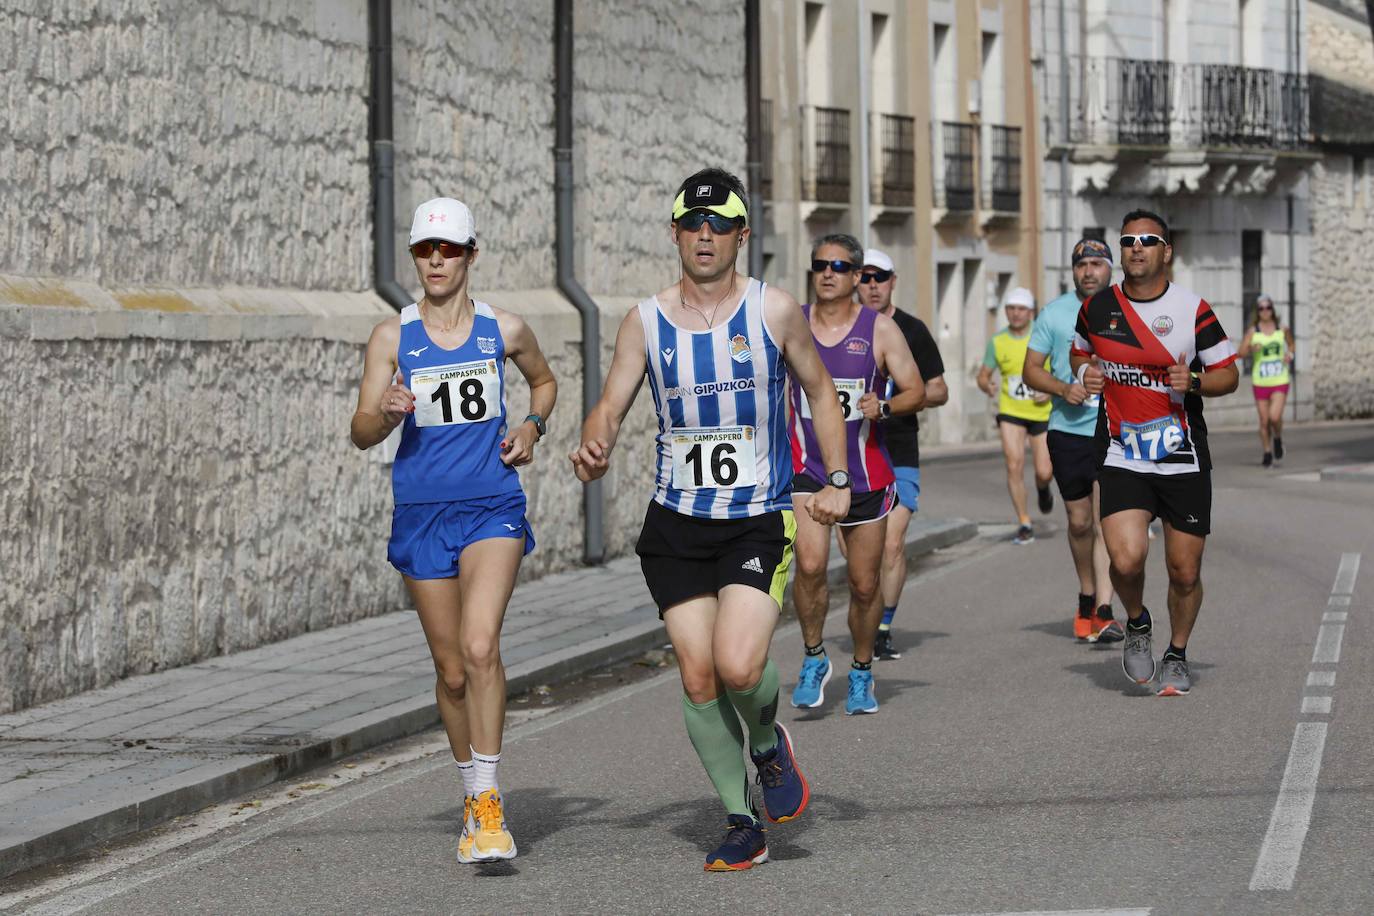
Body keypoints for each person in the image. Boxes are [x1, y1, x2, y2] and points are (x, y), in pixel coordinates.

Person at [570, 169, 850, 872]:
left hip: (756, 518)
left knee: (737, 663)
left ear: (740, 236)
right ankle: (740, 819)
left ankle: (766, 746)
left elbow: (820, 393)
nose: (705, 235)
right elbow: (611, 403)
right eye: (693, 224)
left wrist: (838, 479)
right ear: (674, 233)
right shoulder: (646, 320)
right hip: (676, 524)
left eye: (719, 225)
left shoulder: (774, 310)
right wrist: (595, 439)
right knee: (698, 678)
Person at [350, 197, 557, 862]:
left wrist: (532, 425)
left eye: (449, 250)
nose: (436, 261)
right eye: (424, 250)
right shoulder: (393, 336)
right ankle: (470, 792)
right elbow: (359, 432)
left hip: (491, 505)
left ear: (471, 254)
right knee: (450, 669)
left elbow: (545, 383)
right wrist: (383, 413)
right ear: (415, 257)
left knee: (479, 644)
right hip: (421, 513)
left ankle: (491, 802)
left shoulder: (504, 328)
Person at [1072, 209, 1238, 696]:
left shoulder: (1193, 309)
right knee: (1125, 562)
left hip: (1182, 457)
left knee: (1184, 572)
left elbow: (1229, 373)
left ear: (1167, 251)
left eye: (1148, 240)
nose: (1136, 248)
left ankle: (1178, 653)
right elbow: (1080, 351)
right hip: (1123, 452)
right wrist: (1085, 374)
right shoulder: (1098, 308)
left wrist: (1199, 382)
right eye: (1128, 241)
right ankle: (1138, 622)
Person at [788, 235, 925, 715]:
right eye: (820, 264)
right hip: (806, 469)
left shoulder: (881, 331)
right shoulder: (792, 322)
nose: (829, 273)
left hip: (867, 474)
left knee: (865, 584)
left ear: (857, 275)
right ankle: (813, 657)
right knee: (808, 566)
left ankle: (863, 669)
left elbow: (916, 390)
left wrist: (884, 405)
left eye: (841, 266)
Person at [1023, 239, 1124, 644]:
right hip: (1068, 431)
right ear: (1073, 271)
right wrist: (1064, 389)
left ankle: (1104, 609)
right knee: (1080, 523)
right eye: (1082, 265)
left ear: (1109, 269)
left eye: (1097, 264)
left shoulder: (1127, 309)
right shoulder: (1056, 314)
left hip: (1116, 431)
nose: (1089, 271)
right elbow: (1032, 370)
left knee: (1106, 522)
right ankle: (1086, 594)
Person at [855, 249, 948, 660]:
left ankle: (884, 626)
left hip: (899, 450)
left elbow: (939, 389)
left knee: (892, 544)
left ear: (893, 282)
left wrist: (900, 398)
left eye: (881, 277)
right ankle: (868, 611)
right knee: (861, 555)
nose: (872, 285)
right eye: (866, 277)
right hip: (852, 451)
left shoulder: (912, 329)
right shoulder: (839, 329)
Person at [978, 287, 1054, 544]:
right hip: (1011, 411)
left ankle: (1043, 489)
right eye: (1011, 309)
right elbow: (983, 374)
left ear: (1031, 312)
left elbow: (1061, 371)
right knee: (1014, 464)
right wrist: (985, 384)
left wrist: (1051, 391)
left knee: (1044, 471)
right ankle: (1024, 521)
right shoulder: (998, 341)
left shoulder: (1042, 337)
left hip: (1042, 413)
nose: (1015, 314)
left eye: (1021, 309)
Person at [1237, 294, 1294, 467]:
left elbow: (1291, 345)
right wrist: (1251, 348)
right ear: (1257, 311)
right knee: (1264, 421)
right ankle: (1267, 452)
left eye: (1268, 307)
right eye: (1261, 308)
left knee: (1274, 417)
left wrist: (1289, 355)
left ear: (1272, 309)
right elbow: (1240, 352)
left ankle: (1277, 438)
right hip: (1260, 381)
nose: (1265, 311)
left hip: (1279, 379)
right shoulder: (1253, 331)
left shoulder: (1281, 329)